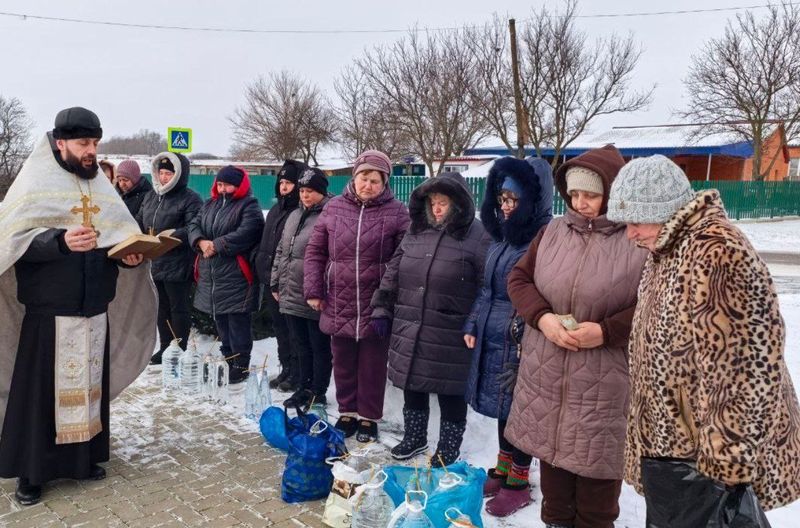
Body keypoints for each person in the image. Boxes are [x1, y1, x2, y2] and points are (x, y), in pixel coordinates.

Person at [605, 155, 800, 524]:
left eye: (634, 221)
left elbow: (746, 369)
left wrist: (724, 465)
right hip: (674, 452)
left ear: (662, 210)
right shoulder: (666, 249)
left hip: (703, 461)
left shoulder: (717, 251)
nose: (629, 234)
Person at [0, 107, 157, 506]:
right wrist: (57, 241)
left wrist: (128, 256)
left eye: (95, 144)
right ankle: (33, 474)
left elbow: (116, 236)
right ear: (60, 142)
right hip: (49, 311)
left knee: (88, 392)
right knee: (43, 397)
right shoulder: (34, 182)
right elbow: (13, 242)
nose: (91, 152)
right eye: (84, 144)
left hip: (93, 307)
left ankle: (82, 460)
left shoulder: (99, 188)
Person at [501, 145, 647, 525]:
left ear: (614, 193)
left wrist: (606, 331)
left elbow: (655, 304)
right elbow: (518, 279)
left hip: (603, 387)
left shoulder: (636, 239)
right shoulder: (552, 232)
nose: (580, 203)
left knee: (596, 503)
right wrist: (543, 318)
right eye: (574, 194)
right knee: (555, 498)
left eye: (591, 195)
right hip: (546, 379)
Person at [371, 171, 491, 466]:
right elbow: (394, 270)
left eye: (444, 203)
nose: (437, 209)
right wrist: (382, 307)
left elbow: (488, 286)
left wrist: (475, 321)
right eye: (433, 202)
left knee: (451, 389)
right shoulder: (416, 230)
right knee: (413, 382)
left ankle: (448, 447)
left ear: (459, 204)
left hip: (452, 326)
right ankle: (415, 437)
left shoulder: (478, 235)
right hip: (410, 319)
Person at [462, 156, 552, 512]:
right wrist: (473, 323)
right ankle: (502, 467)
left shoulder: (543, 240)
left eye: (513, 200)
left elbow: (541, 294)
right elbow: (488, 290)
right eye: (501, 200)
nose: (506, 207)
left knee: (521, 409)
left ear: (533, 200)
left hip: (522, 339)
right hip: (494, 334)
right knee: (503, 406)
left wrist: (525, 330)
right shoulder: (502, 238)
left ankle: (518, 478)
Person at [304, 150, 410, 442]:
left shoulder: (397, 212)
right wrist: (313, 289)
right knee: (344, 359)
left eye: (375, 180)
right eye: (364, 178)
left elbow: (404, 254)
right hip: (338, 296)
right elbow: (315, 251)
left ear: (384, 183)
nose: (369, 185)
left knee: (373, 362)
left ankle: (368, 417)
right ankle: (347, 412)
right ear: (355, 177)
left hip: (377, 300)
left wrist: (389, 294)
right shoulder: (334, 208)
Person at [189, 165, 265, 383]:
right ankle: (228, 357)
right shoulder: (209, 204)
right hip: (213, 273)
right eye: (219, 184)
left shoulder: (248, 205)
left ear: (239, 185)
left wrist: (217, 244)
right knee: (221, 317)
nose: (222, 189)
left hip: (236, 274)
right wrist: (200, 241)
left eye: (227, 185)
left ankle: (240, 364)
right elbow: (194, 224)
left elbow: (248, 231)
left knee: (237, 319)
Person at [271, 168, 332, 408]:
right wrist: (276, 281)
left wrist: (319, 289)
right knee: (300, 344)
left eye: (311, 191)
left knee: (318, 346)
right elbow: (281, 251)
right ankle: (303, 387)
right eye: (303, 191)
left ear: (322, 192)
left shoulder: (329, 215)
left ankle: (318, 390)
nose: (305, 195)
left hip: (314, 293)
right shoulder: (295, 215)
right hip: (291, 289)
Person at [137, 152, 203, 364]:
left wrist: (172, 235)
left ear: (179, 175)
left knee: (178, 307)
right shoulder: (152, 196)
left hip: (178, 261)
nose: (164, 177)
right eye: (161, 172)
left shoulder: (190, 198)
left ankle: (179, 348)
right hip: (155, 261)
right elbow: (139, 219)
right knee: (161, 307)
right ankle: (165, 347)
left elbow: (194, 226)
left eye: (169, 173)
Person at [255, 159, 304, 392]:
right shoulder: (275, 209)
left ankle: (297, 372)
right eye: (281, 182)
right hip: (269, 278)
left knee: (293, 330)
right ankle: (286, 368)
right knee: (280, 330)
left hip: (289, 281)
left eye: (289, 183)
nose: (284, 187)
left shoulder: (298, 211)